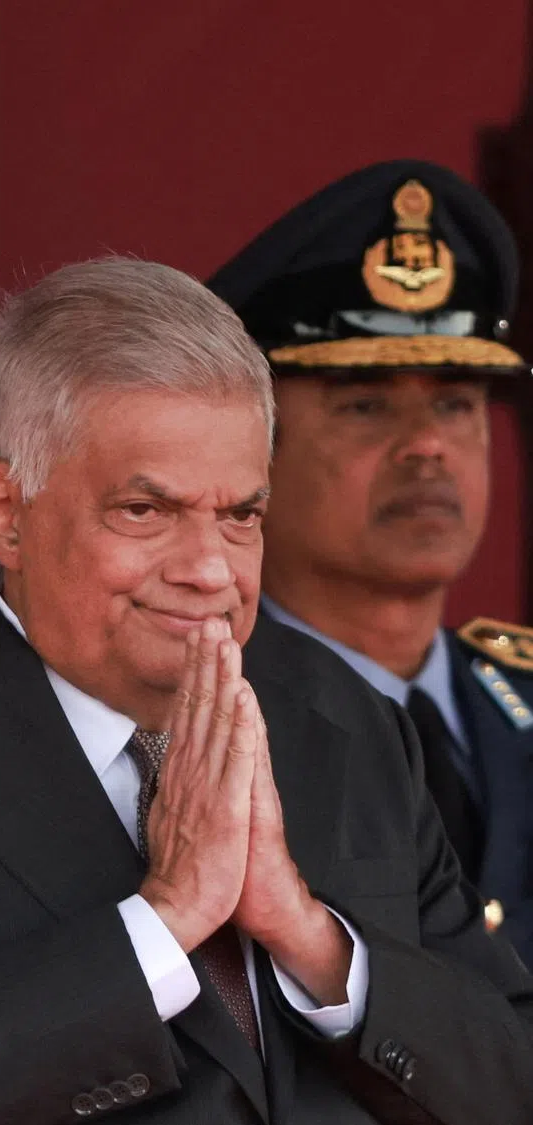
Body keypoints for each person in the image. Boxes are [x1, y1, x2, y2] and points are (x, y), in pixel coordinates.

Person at [0, 256, 533, 1125]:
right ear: (5, 510)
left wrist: (309, 938)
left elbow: (511, 1088)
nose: (210, 571)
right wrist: (161, 924)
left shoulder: (343, 712)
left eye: (240, 515)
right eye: (145, 511)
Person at [208, 160, 533, 969]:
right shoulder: (192, 723)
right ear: (252, 451)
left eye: (456, 404)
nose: (428, 444)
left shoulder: (518, 697)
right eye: (366, 403)